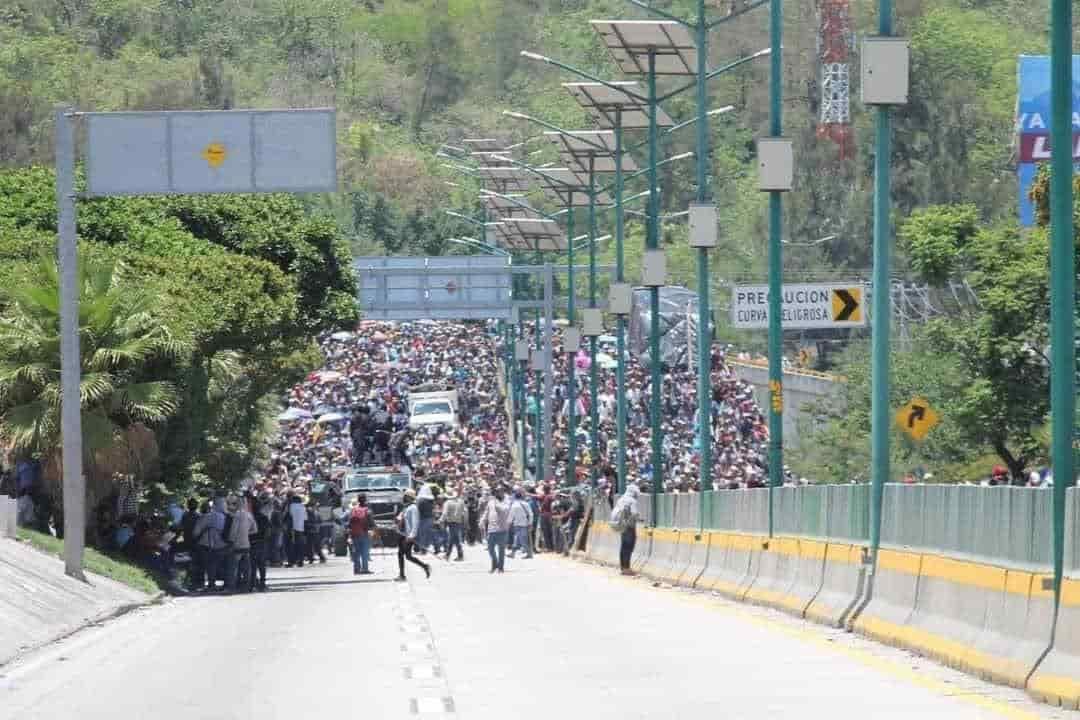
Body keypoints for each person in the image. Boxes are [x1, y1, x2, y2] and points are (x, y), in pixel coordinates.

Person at [396, 489, 431, 581]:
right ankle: (403, 574)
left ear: (409, 497)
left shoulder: (413, 508)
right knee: (403, 555)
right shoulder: (406, 507)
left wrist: (412, 535)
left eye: (405, 496)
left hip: (408, 535)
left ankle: (424, 566)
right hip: (402, 534)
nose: (403, 498)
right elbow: (400, 518)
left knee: (405, 555)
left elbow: (415, 523)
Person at [225, 495, 255, 593]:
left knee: (233, 567)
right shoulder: (249, 515)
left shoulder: (236, 515)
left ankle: (231, 587)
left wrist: (231, 541)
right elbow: (255, 529)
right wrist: (246, 533)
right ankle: (247, 586)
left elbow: (233, 530)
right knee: (247, 567)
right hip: (246, 544)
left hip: (237, 544)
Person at [611, 483, 641, 575]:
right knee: (629, 547)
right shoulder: (632, 500)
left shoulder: (621, 499)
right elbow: (634, 513)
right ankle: (627, 568)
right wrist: (639, 518)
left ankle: (623, 567)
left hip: (621, 525)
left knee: (623, 546)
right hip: (629, 526)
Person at [480, 486, 510, 573]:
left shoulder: (506, 502)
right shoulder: (491, 502)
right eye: (497, 491)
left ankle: (500, 567)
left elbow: (503, 511)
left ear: (503, 492)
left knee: (501, 550)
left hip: (502, 528)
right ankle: (495, 563)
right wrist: (482, 520)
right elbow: (486, 512)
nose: (498, 493)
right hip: (491, 528)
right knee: (490, 548)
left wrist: (496, 502)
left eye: (500, 491)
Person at [348, 494, 374, 575]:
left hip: (354, 533)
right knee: (364, 552)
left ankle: (356, 569)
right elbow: (371, 522)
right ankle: (365, 569)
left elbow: (349, 522)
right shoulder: (367, 510)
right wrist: (373, 528)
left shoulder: (353, 510)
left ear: (358, 500)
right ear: (365, 500)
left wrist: (350, 533)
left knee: (356, 552)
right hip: (364, 533)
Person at [440, 490, 466, 561]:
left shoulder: (447, 503)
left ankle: (448, 555)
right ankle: (457, 555)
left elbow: (444, 513)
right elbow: (464, 512)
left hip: (451, 522)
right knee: (455, 539)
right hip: (458, 522)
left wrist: (441, 520)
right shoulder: (461, 501)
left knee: (452, 539)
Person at [507, 488, 533, 559]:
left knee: (521, 539)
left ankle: (529, 553)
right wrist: (530, 523)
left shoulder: (514, 505)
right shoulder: (526, 504)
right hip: (525, 524)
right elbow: (531, 514)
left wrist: (508, 523)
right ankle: (513, 553)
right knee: (519, 539)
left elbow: (511, 515)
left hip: (517, 524)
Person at [287, 494, 306, 567]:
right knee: (300, 545)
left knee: (291, 545)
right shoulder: (303, 507)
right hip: (301, 528)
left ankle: (291, 561)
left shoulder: (291, 506)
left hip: (292, 528)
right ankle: (300, 561)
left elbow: (289, 516)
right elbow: (305, 518)